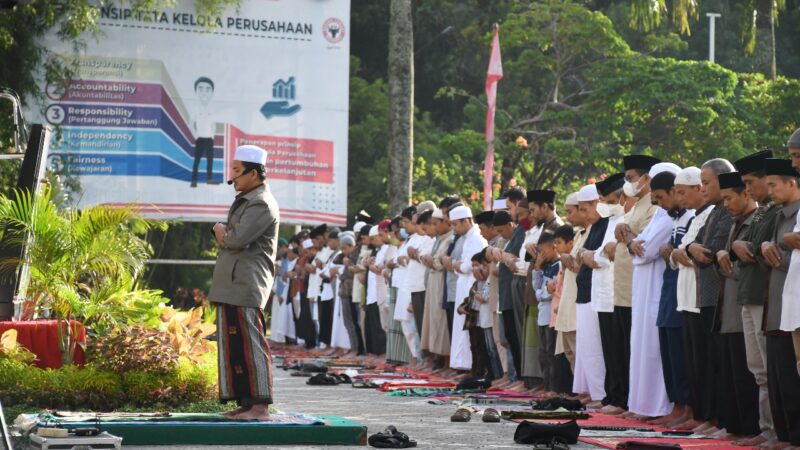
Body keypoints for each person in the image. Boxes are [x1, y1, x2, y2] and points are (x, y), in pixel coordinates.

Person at [209, 144, 278, 421]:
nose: (232, 178)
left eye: (237, 171)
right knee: (235, 347)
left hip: (247, 283)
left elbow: (235, 239)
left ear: (253, 173)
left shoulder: (261, 202)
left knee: (251, 346)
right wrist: (224, 231)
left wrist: (219, 230)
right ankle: (246, 403)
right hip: (234, 284)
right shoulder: (247, 199)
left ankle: (260, 407)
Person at [730, 150, 778, 446]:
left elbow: (760, 249)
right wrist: (738, 245)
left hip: (764, 295)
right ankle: (766, 429)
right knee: (758, 370)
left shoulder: (777, 212)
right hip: (748, 295)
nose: (747, 190)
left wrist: (743, 245)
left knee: (770, 370)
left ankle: (776, 431)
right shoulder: (762, 211)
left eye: (750, 182)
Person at [685, 158, 736, 435]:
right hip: (705, 296)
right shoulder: (715, 211)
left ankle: (724, 420)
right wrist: (693, 248)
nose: (702, 188)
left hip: (720, 297)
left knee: (721, 362)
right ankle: (714, 417)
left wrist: (693, 249)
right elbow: (696, 245)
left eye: (706, 183)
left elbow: (709, 251)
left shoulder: (728, 211)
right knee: (709, 360)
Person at [627, 162, 681, 420]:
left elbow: (645, 251)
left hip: (658, 288)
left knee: (654, 350)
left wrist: (632, 243)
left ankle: (660, 407)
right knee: (641, 347)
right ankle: (642, 405)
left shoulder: (671, 217)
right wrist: (633, 244)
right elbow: (638, 247)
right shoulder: (661, 214)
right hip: (643, 288)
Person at [609, 155, 660, 414]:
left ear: (647, 178)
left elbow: (644, 244)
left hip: (638, 289)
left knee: (635, 349)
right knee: (623, 348)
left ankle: (632, 401)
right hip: (623, 289)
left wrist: (626, 234)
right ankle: (627, 399)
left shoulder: (653, 206)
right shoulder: (637, 205)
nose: (628, 184)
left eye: (630, 178)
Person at [713, 171, 760, 439]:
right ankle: (735, 427)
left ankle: (752, 430)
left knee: (748, 376)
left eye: (730, 198)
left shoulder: (757, 220)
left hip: (745, 306)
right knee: (731, 375)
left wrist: (723, 260)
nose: (726, 204)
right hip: (729, 309)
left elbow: (747, 266)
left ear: (746, 194)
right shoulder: (736, 222)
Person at [761, 158, 800, 448]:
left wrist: (777, 252)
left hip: (792, 301)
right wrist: (766, 248)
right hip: (781, 302)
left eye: (774, 185)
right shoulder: (777, 214)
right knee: (781, 376)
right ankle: (784, 435)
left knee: (791, 376)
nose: (769, 191)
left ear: (792, 183)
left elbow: (787, 256)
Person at [650, 170, 692, 427]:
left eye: (661, 197)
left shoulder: (691, 217)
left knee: (679, 353)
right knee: (668, 351)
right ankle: (677, 405)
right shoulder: (675, 218)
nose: (660, 204)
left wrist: (672, 251)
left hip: (682, 294)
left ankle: (687, 407)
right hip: (668, 293)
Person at [191, 76, 220, 187]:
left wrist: (212, 135)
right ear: (196, 91)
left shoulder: (212, 108)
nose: (204, 92)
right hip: (200, 138)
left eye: (208, 89)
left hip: (209, 139)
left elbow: (214, 124)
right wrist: (196, 135)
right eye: (201, 88)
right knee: (197, 160)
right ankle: (194, 180)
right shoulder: (194, 107)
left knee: (210, 160)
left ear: (212, 92)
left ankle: (209, 179)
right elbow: (191, 123)